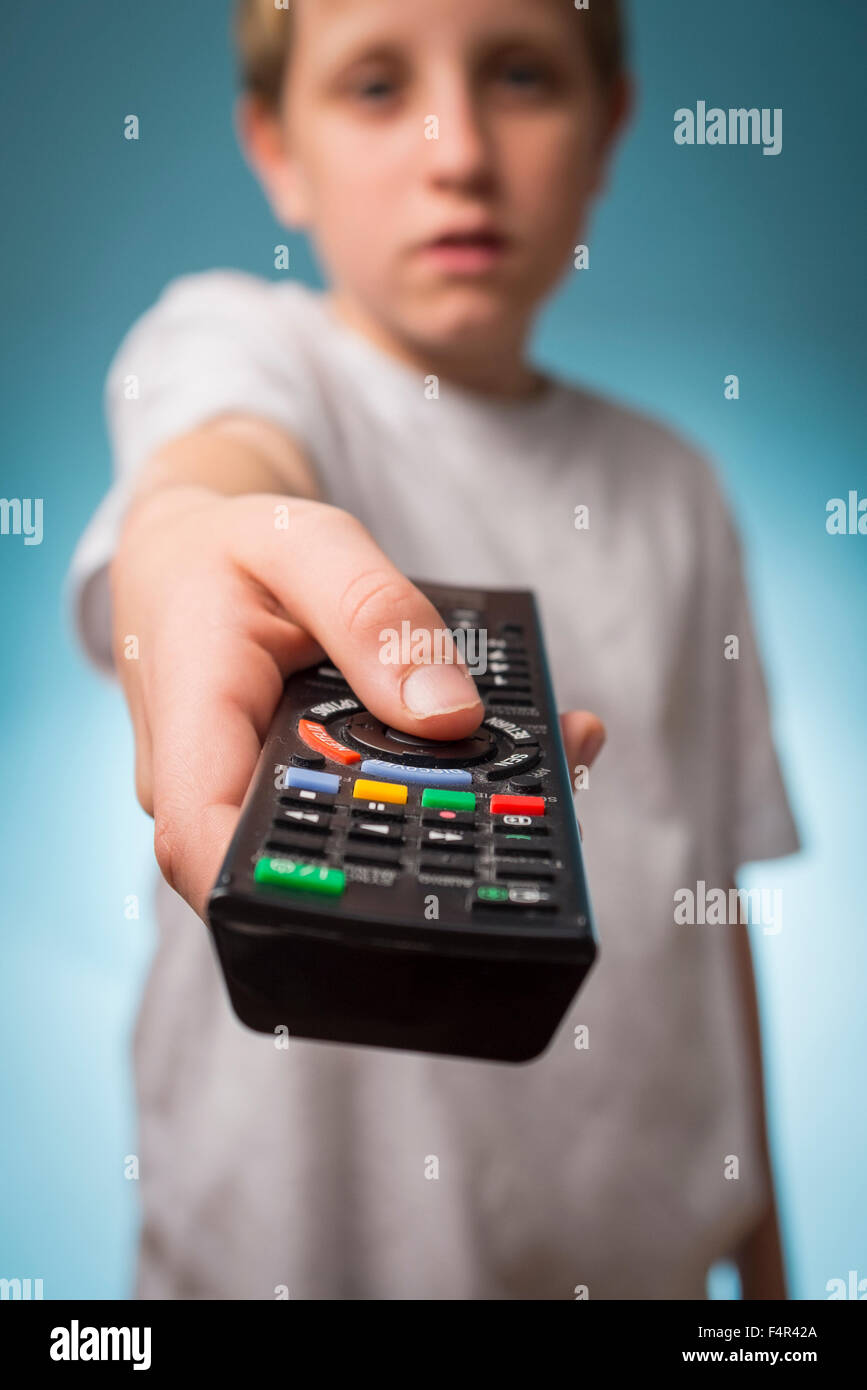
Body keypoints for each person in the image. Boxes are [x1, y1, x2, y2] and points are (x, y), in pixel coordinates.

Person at [68, 0, 800, 1298]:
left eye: (522, 73)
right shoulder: (244, 345)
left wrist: (768, 1267)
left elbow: (713, 898)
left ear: (609, 126)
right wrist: (192, 533)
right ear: (275, 149)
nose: (456, 147)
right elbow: (212, 454)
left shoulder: (680, 490)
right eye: (372, 84)